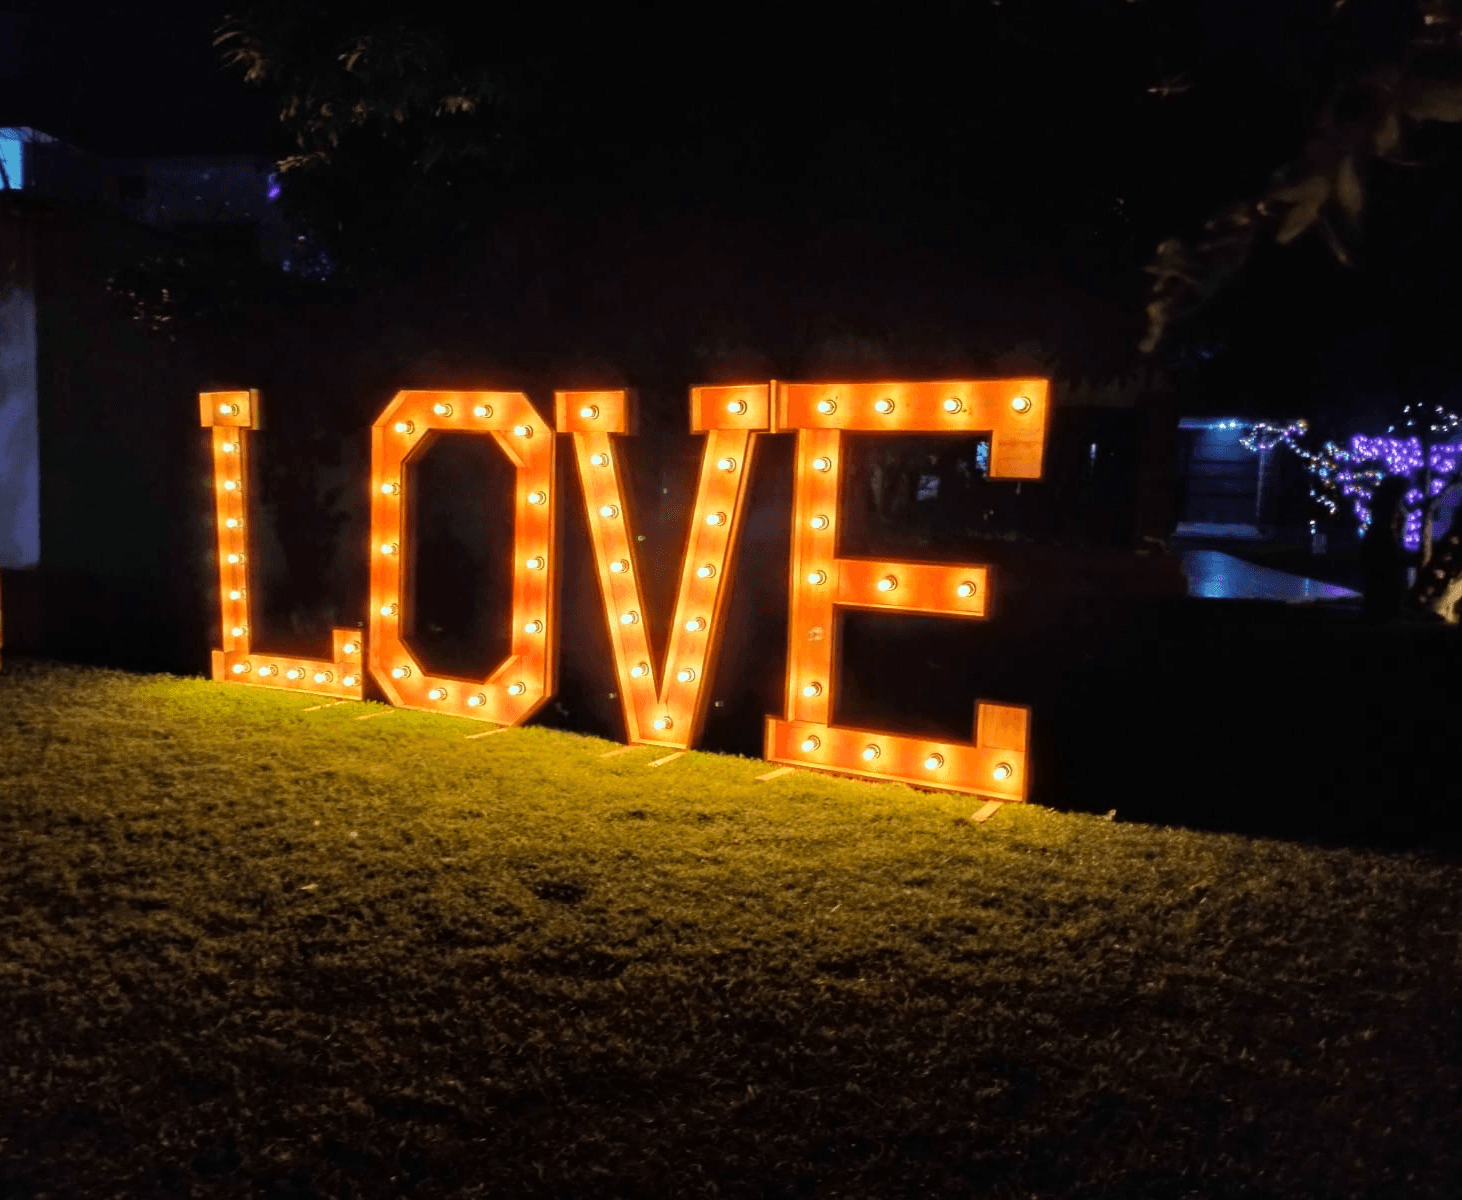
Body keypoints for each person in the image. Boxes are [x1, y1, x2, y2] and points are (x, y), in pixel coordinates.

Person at [1361, 475, 1410, 622]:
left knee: (1377, 579)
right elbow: (1390, 525)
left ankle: (1378, 610)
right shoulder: (1392, 503)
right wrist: (1395, 543)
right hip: (1385, 544)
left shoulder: (1382, 502)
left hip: (1376, 542)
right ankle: (1387, 611)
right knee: (1389, 577)